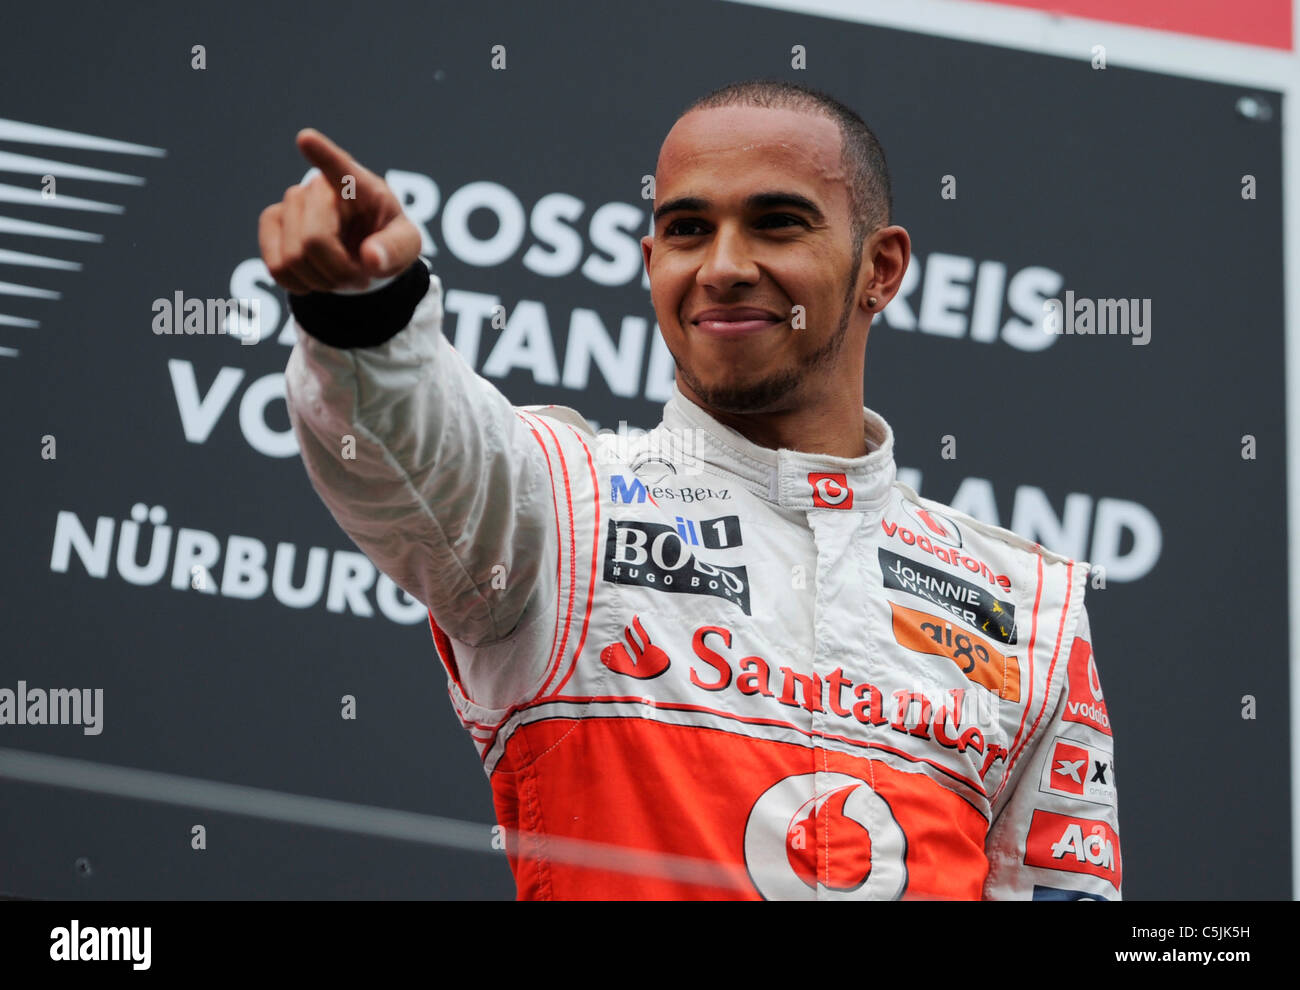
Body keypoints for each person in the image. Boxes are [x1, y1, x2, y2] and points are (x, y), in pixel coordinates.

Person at [260, 80, 1120, 900]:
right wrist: (365, 312)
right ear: (649, 261)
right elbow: (413, 452)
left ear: (880, 269)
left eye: (778, 224)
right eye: (686, 230)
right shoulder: (564, 507)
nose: (724, 266)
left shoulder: (1029, 606)